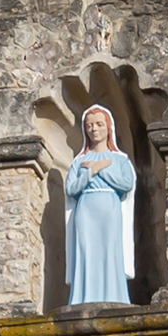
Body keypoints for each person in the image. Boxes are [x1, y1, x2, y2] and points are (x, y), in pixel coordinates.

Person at [63, 102, 138, 307]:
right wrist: (91, 172)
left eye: (98, 124)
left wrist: (102, 169)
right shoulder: (79, 162)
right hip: (86, 209)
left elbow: (126, 183)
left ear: (108, 128)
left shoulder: (120, 160)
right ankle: (83, 299)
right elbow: (71, 189)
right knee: (86, 252)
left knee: (109, 251)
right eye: (89, 125)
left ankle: (114, 298)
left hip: (109, 208)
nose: (94, 129)